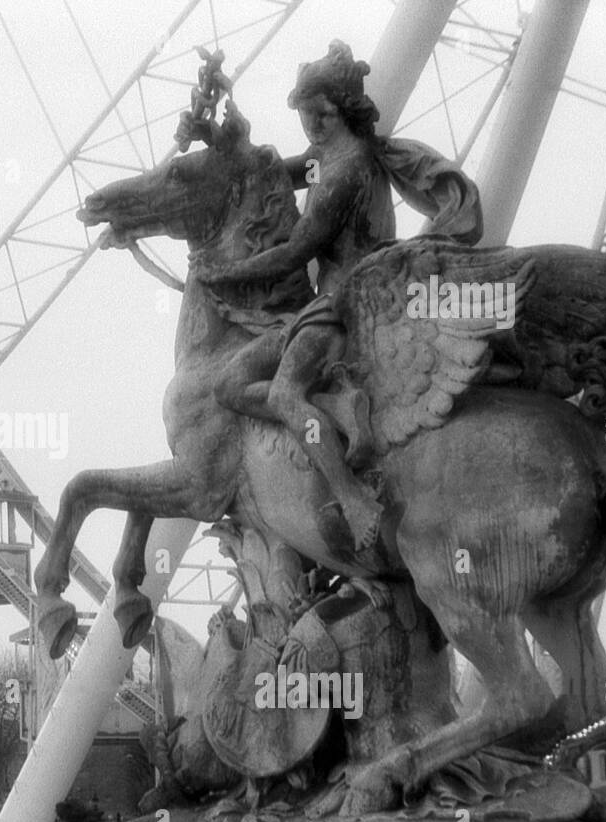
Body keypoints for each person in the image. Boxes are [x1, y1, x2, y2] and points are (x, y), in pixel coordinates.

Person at [179, 40, 481, 550]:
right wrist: (212, 133)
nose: (307, 125)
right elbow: (273, 175)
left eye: (312, 114)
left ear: (333, 110)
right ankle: (336, 409)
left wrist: (222, 274)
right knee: (230, 385)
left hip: (347, 307)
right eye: (302, 116)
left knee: (282, 393)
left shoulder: (346, 170)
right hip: (332, 306)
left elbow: (295, 252)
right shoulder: (328, 157)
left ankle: (351, 496)